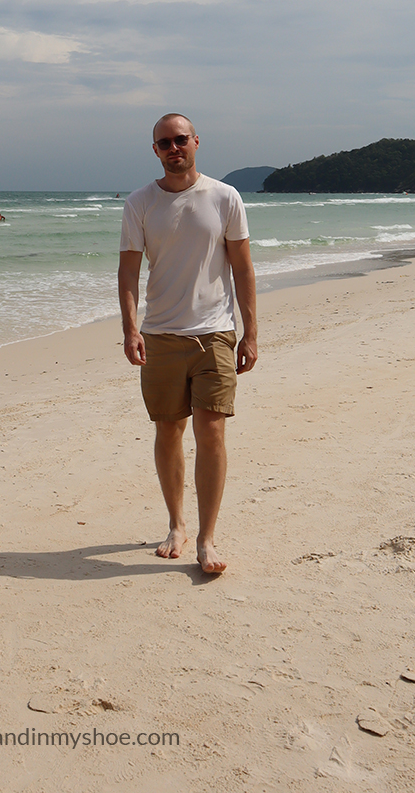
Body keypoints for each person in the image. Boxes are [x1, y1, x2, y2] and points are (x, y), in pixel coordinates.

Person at [118, 113, 258, 574]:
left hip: (215, 333)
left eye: (181, 139)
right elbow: (128, 272)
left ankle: (206, 538)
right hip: (159, 334)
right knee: (169, 430)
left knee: (212, 430)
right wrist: (130, 328)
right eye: (165, 143)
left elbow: (242, 267)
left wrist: (250, 332)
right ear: (155, 150)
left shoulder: (224, 197)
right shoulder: (140, 203)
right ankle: (176, 524)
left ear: (196, 141)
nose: (174, 148)